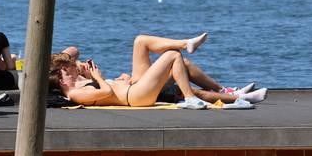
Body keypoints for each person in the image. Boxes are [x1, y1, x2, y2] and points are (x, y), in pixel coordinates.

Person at [49, 32, 267, 108]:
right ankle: (191, 98)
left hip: (132, 86)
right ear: (61, 77)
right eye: (69, 68)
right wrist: (98, 78)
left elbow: (73, 52)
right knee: (173, 57)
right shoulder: (74, 93)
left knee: (140, 42)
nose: (73, 68)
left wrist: (114, 78)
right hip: (134, 96)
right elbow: (106, 93)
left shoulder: (76, 82)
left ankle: (186, 43)